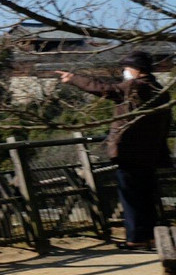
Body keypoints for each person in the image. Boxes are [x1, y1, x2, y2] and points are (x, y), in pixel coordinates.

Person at [57, 51, 172, 250]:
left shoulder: (134, 87)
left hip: (130, 151)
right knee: (146, 196)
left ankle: (135, 239)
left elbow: (105, 89)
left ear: (136, 70)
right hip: (152, 151)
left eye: (126, 69)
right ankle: (152, 237)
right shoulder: (161, 90)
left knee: (131, 196)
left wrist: (73, 78)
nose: (124, 73)